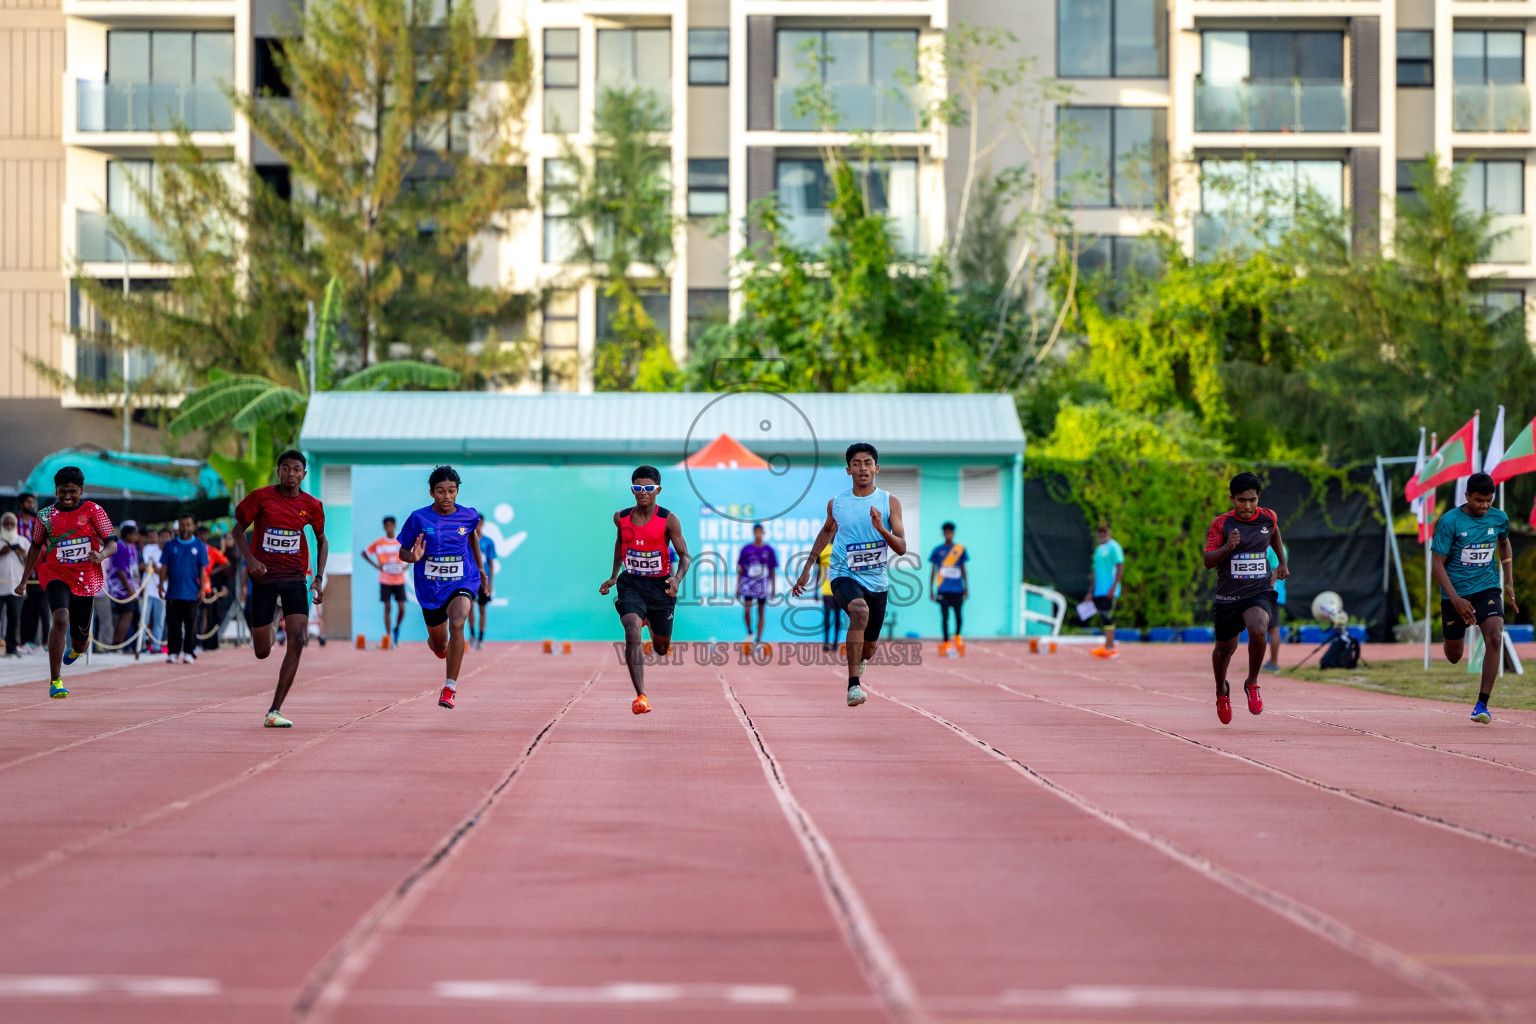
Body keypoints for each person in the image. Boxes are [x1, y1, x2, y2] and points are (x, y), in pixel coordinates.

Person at [793, 443, 907, 708]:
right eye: (857, 464)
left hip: (877, 582)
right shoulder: (838, 503)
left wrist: (881, 528)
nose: (863, 468)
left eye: (868, 463)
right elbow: (826, 531)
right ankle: (853, 685)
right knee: (859, 611)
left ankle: (862, 657)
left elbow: (901, 547)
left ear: (876, 468)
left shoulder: (889, 502)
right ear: (848, 470)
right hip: (844, 574)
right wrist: (808, 566)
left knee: (869, 647)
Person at [231, 450, 327, 728]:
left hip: (295, 577)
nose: (291, 474)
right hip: (264, 578)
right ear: (278, 471)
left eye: (296, 469)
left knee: (298, 639)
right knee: (262, 652)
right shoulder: (261, 497)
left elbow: (323, 541)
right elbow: (237, 530)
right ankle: (274, 617)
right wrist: (251, 560)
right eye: (285, 468)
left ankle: (274, 710)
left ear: (304, 474)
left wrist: (318, 578)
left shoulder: (312, 505)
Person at [12, 466, 118, 698]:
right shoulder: (46, 515)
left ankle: (76, 649)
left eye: (72, 491)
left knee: (81, 644)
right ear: (56, 490)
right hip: (56, 573)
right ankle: (55, 681)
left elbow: (112, 543)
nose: (67, 497)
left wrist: (101, 555)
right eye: (62, 492)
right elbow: (36, 545)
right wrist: (23, 580)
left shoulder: (94, 510)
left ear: (81, 490)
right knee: (60, 617)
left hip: (85, 577)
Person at [599, 466, 692, 715]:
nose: (643, 493)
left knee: (661, 648)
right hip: (632, 584)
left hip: (661, 587)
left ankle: (649, 618)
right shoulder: (621, 517)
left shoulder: (668, 519)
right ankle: (641, 695)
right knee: (631, 629)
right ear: (632, 490)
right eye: (638, 488)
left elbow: (684, 556)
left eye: (648, 488)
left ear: (657, 490)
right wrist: (613, 576)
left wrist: (677, 579)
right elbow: (620, 544)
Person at [396, 466, 487, 710]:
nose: (446, 496)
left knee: (458, 622)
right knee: (439, 645)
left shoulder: (469, 516)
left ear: (457, 491)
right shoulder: (418, 518)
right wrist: (412, 556)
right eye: (440, 491)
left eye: (451, 491)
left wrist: (480, 571)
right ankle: (438, 646)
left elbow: (472, 538)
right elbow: (402, 551)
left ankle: (449, 688)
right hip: (430, 589)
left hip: (463, 580)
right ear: (431, 493)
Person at [1432, 472, 1518, 724]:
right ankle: (1451, 640)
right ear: (1467, 496)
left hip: (1487, 587)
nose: (1484, 506)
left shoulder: (1499, 518)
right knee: (1454, 656)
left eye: (1489, 500)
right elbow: (1437, 564)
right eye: (1479, 500)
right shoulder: (1450, 521)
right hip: (1455, 593)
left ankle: (1482, 704)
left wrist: (1509, 581)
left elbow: (1504, 544)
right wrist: (1456, 600)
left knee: (1494, 635)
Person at [1203, 472, 1288, 724]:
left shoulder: (1268, 516)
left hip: (1258, 589)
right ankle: (1221, 691)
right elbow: (1208, 561)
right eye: (1241, 500)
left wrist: (1281, 562)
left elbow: (1274, 533)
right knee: (1223, 650)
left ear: (1258, 498)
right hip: (1228, 595)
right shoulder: (1221, 524)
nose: (1247, 506)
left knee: (1259, 626)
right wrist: (1228, 547)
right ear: (1232, 499)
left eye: (1252, 500)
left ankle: (1252, 682)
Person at [159, 514, 209, 665]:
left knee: (190, 625)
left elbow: (202, 570)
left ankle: (189, 652)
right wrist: (161, 585)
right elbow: (164, 566)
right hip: (173, 593)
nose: (185, 528)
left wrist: (201, 590)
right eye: (182, 525)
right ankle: (173, 652)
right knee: (173, 625)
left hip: (191, 593)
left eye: (188, 525)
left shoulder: (199, 545)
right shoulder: (170, 545)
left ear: (194, 527)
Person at [361, 516, 407, 646]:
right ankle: (388, 637)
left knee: (402, 609)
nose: (390, 528)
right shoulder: (379, 542)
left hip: (399, 580)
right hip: (385, 579)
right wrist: (376, 565)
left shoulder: (401, 541)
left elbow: (413, 552)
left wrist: (407, 566)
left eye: (392, 525)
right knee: (387, 607)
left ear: (395, 526)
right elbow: (364, 553)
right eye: (387, 526)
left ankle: (396, 628)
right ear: (384, 527)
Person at [929, 521, 969, 653]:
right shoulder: (937, 550)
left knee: (959, 617)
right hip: (943, 590)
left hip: (957, 590)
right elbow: (933, 571)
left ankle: (957, 639)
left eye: (951, 532)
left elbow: (963, 569)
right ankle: (946, 642)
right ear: (943, 533)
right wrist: (931, 590)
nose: (948, 535)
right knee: (945, 617)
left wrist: (966, 587)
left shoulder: (960, 550)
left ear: (953, 533)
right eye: (946, 532)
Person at [16, 493, 48, 650]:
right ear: (20, 504)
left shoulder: (36, 522)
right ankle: (22, 641)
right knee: (24, 609)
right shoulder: (12, 522)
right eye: (28, 502)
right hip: (18, 569)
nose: (31, 505)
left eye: (32, 502)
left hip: (37, 570)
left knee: (39, 608)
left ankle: (39, 642)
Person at [1088, 522, 1124, 659]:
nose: (1101, 534)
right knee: (1103, 617)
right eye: (1099, 532)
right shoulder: (1098, 550)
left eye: (1104, 532)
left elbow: (1120, 566)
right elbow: (1095, 571)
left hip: (1109, 589)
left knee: (1107, 616)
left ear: (1109, 532)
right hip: (1098, 590)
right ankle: (1107, 646)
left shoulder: (1114, 547)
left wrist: (1114, 587)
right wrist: (1091, 591)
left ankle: (1111, 647)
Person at [737, 523, 777, 647]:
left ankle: (758, 639)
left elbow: (772, 570)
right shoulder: (746, 549)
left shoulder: (769, 550)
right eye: (756, 532)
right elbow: (741, 569)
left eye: (760, 531)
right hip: (748, 584)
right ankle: (750, 631)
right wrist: (737, 586)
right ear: (754, 533)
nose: (758, 534)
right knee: (747, 611)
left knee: (760, 612)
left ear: (763, 533)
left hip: (762, 585)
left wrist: (773, 588)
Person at [107, 522, 143, 649]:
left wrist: (138, 583)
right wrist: (128, 589)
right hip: (121, 588)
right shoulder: (121, 547)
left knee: (126, 615)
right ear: (127, 535)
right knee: (126, 614)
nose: (136, 537)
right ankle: (117, 643)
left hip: (131, 586)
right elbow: (121, 570)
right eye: (134, 534)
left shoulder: (132, 546)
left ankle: (117, 642)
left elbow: (134, 567)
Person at [0, 512, 28, 657]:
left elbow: (32, 562)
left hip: (16, 587)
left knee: (14, 619)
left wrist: (22, 553)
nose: (9, 526)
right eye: (6, 523)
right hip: (0, 587)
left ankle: (11, 648)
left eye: (12, 524)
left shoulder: (22, 541)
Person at [1264, 541, 1288, 672]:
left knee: (1273, 628)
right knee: (1270, 628)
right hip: (1274, 593)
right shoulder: (1278, 547)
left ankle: (1274, 663)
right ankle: (1272, 661)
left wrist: (1262, 590)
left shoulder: (1274, 549)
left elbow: (1275, 572)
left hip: (1271, 594)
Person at [141, 526, 166, 654]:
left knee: (159, 621)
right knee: (143, 620)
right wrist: (158, 570)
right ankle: (141, 645)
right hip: (147, 590)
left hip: (162, 592)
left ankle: (156, 646)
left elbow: (166, 574)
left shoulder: (170, 551)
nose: (163, 540)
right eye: (162, 537)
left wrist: (157, 569)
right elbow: (146, 565)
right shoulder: (150, 548)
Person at [475, 516, 496, 649]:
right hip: (470, 580)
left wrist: (490, 582)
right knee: (468, 607)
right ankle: (471, 633)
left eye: (480, 523)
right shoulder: (467, 540)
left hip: (483, 581)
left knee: (482, 609)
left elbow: (491, 563)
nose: (478, 525)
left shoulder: (488, 542)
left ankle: (481, 639)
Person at [816, 544, 840, 651]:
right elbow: (819, 571)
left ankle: (835, 643)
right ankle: (826, 642)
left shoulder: (841, 547)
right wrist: (816, 589)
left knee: (837, 616)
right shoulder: (823, 550)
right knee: (827, 615)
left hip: (839, 590)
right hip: (826, 589)